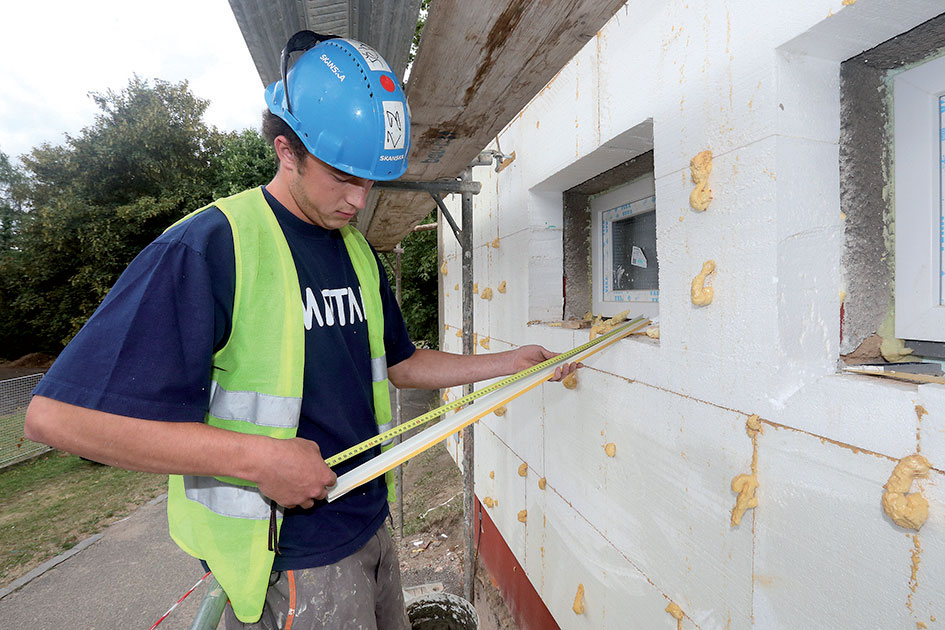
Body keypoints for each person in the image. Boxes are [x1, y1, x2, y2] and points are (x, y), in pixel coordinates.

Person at [24, 32, 578, 630]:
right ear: (287, 150)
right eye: (343, 177)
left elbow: (402, 362)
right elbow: (57, 417)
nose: (359, 200)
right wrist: (260, 459)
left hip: (368, 523)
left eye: (371, 182)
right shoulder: (211, 246)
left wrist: (508, 362)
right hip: (288, 559)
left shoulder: (356, 252)